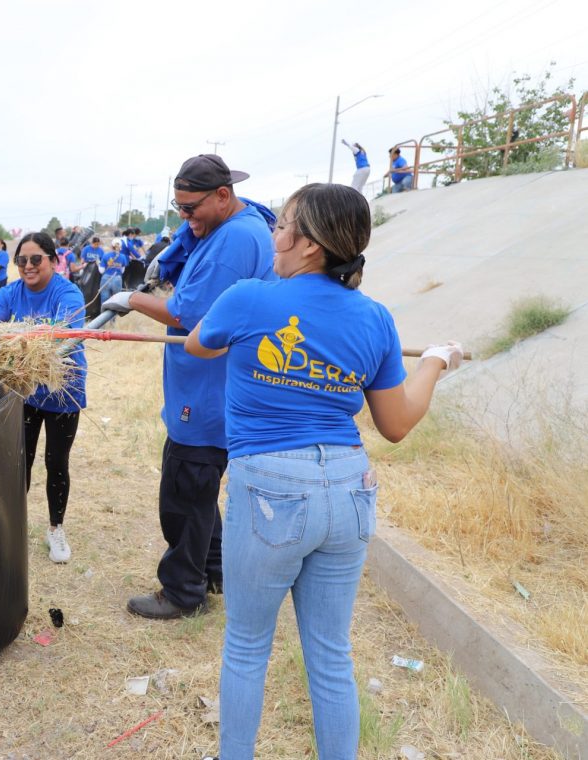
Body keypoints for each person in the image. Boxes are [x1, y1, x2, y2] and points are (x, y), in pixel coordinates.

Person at [184, 183, 463, 760]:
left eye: (282, 225)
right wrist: (435, 361)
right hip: (350, 489)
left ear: (310, 244)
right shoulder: (376, 319)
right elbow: (396, 423)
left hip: (272, 488)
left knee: (247, 646)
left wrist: (242, 341)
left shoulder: (248, 298)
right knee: (332, 655)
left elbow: (197, 346)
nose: (274, 237)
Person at [102, 154, 276, 619]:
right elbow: (188, 247)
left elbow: (191, 314)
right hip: (207, 386)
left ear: (223, 195)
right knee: (200, 491)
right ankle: (214, 570)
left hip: (209, 391)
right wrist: (177, 245)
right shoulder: (231, 222)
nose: (184, 217)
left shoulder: (234, 240)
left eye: (190, 208)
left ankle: (182, 591)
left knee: (185, 489)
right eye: (178, 207)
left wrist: (132, 299)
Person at [0, 232, 86, 564]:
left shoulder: (68, 293)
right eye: (22, 260)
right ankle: (11, 527)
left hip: (62, 390)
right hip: (24, 391)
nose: (28, 266)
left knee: (56, 461)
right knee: (18, 461)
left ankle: (56, 528)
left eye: (36, 259)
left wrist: (15, 338)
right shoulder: (9, 292)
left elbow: (61, 333)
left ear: (53, 261)